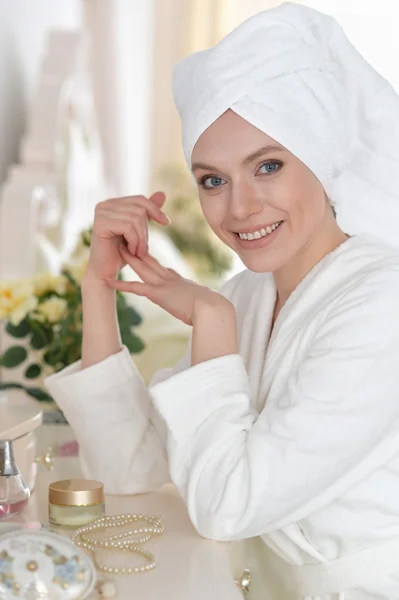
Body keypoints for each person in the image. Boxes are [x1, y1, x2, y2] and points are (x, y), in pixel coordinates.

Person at [45, 2, 399, 598]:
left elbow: (228, 505)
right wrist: (97, 289)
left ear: (324, 157)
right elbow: (131, 466)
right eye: (213, 179)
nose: (239, 208)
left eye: (267, 166)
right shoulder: (250, 294)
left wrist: (209, 317)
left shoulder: (382, 304)